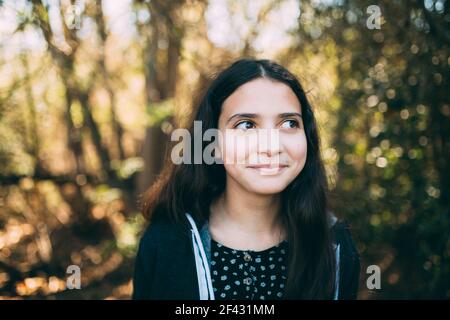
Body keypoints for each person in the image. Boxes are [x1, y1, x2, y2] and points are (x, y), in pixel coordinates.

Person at [132, 58, 360, 300]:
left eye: (289, 123)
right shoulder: (165, 243)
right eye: (246, 125)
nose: (271, 147)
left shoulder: (335, 246)